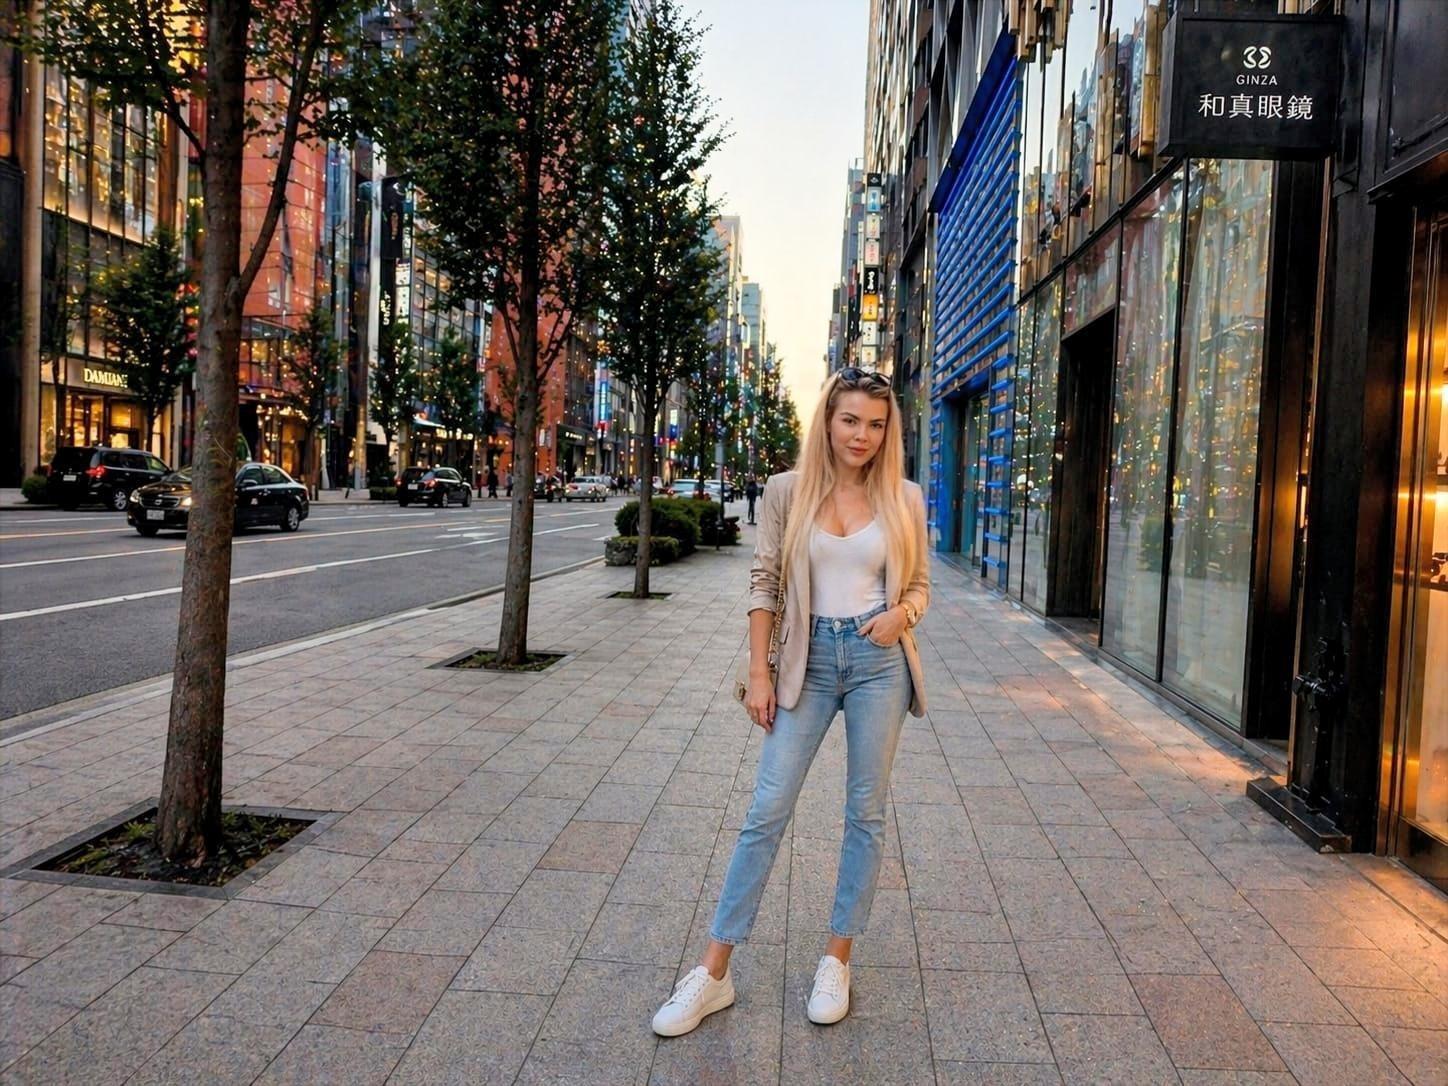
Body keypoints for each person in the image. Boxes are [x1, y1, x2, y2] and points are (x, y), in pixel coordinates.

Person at [651, 367, 930, 1037]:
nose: (862, 435)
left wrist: (902, 615)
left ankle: (838, 959)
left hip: (879, 663)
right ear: (827, 421)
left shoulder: (906, 497)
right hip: (807, 659)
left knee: (865, 813)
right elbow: (765, 582)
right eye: (850, 420)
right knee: (767, 809)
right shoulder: (786, 491)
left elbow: (920, 585)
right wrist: (759, 672)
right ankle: (714, 971)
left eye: (876, 424)